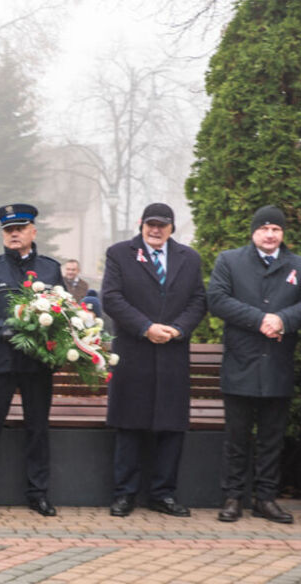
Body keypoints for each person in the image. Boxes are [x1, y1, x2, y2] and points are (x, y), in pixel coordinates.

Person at [207, 205, 301, 524]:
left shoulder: (297, 265)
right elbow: (218, 299)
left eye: (276, 229)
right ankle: (233, 497)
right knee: (237, 438)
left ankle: (265, 499)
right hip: (241, 361)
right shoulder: (230, 260)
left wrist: (282, 320)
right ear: (253, 232)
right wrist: (260, 319)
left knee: (271, 438)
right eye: (264, 228)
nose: (270, 234)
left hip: (277, 364)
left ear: (283, 234)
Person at [101, 203, 207, 518]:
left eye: (162, 225)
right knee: (130, 426)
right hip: (134, 352)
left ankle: (163, 494)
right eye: (151, 224)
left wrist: (179, 329)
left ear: (172, 227)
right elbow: (111, 297)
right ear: (141, 224)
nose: (156, 230)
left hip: (173, 352)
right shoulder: (120, 253)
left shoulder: (189, 258)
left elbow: (199, 299)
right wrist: (146, 327)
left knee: (170, 428)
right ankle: (125, 495)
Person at [0, 203, 63, 517]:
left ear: (33, 231)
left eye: (20, 228)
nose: (14, 234)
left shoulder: (49, 268)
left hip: (36, 362)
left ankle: (39, 494)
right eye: (8, 230)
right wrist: (3, 329)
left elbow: (64, 310)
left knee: (37, 428)